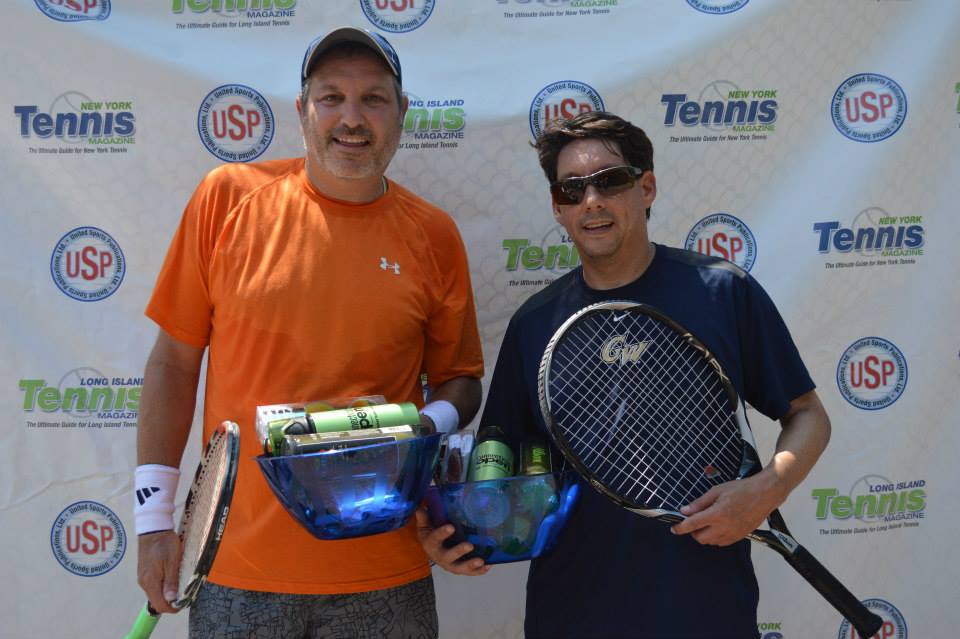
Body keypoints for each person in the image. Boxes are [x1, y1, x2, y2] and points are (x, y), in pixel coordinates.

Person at [134, 26, 484, 639]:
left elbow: (461, 380)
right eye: (331, 98)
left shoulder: (434, 234)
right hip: (236, 570)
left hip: (386, 569)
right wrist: (153, 522)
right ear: (302, 111)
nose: (352, 119)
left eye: (373, 99)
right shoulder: (227, 199)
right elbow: (172, 365)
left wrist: (423, 427)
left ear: (402, 112)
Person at [475, 111, 832, 639]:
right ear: (558, 208)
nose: (591, 200)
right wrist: (461, 526)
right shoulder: (534, 324)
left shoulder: (722, 291)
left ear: (646, 188)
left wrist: (765, 490)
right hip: (571, 613)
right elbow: (499, 461)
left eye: (610, 181)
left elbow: (807, 416)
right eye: (572, 189)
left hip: (706, 611)